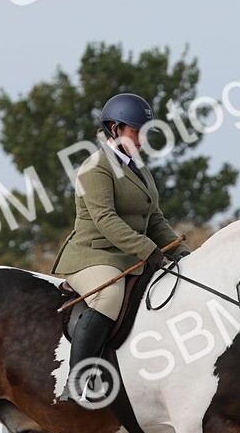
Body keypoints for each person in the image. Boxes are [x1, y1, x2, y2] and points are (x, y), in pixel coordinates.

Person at [51, 92, 190, 402]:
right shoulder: (94, 168)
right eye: (136, 131)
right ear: (114, 129)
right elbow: (106, 220)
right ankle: (77, 381)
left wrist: (183, 255)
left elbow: (155, 219)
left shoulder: (140, 169)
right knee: (109, 297)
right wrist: (150, 252)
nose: (142, 138)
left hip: (130, 256)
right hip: (93, 255)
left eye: (145, 131)